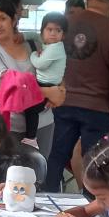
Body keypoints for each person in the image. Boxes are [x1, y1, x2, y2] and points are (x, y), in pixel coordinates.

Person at [46, 0, 109, 192]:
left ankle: (47, 199)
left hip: (63, 102)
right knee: (94, 161)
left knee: (57, 155)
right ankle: (91, 203)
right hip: (97, 107)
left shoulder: (65, 24)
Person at [0, 0, 66, 161]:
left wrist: (60, 89)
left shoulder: (32, 41)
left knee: (39, 173)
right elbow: (12, 88)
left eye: (2, 18)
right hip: (11, 126)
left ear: (13, 19)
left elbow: (55, 66)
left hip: (43, 122)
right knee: (13, 177)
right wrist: (50, 92)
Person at [20, 12, 68, 149]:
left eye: (58, 30)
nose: (53, 33)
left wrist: (34, 54)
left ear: (63, 35)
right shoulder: (50, 45)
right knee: (31, 108)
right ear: (42, 32)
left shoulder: (56, 48)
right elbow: (34, 36)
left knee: (31, 108)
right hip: (47, 83)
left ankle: (31, 137)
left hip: (48, 85)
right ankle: (31, 136)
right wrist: (23, 36)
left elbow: (40, 64)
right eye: (49, 29)